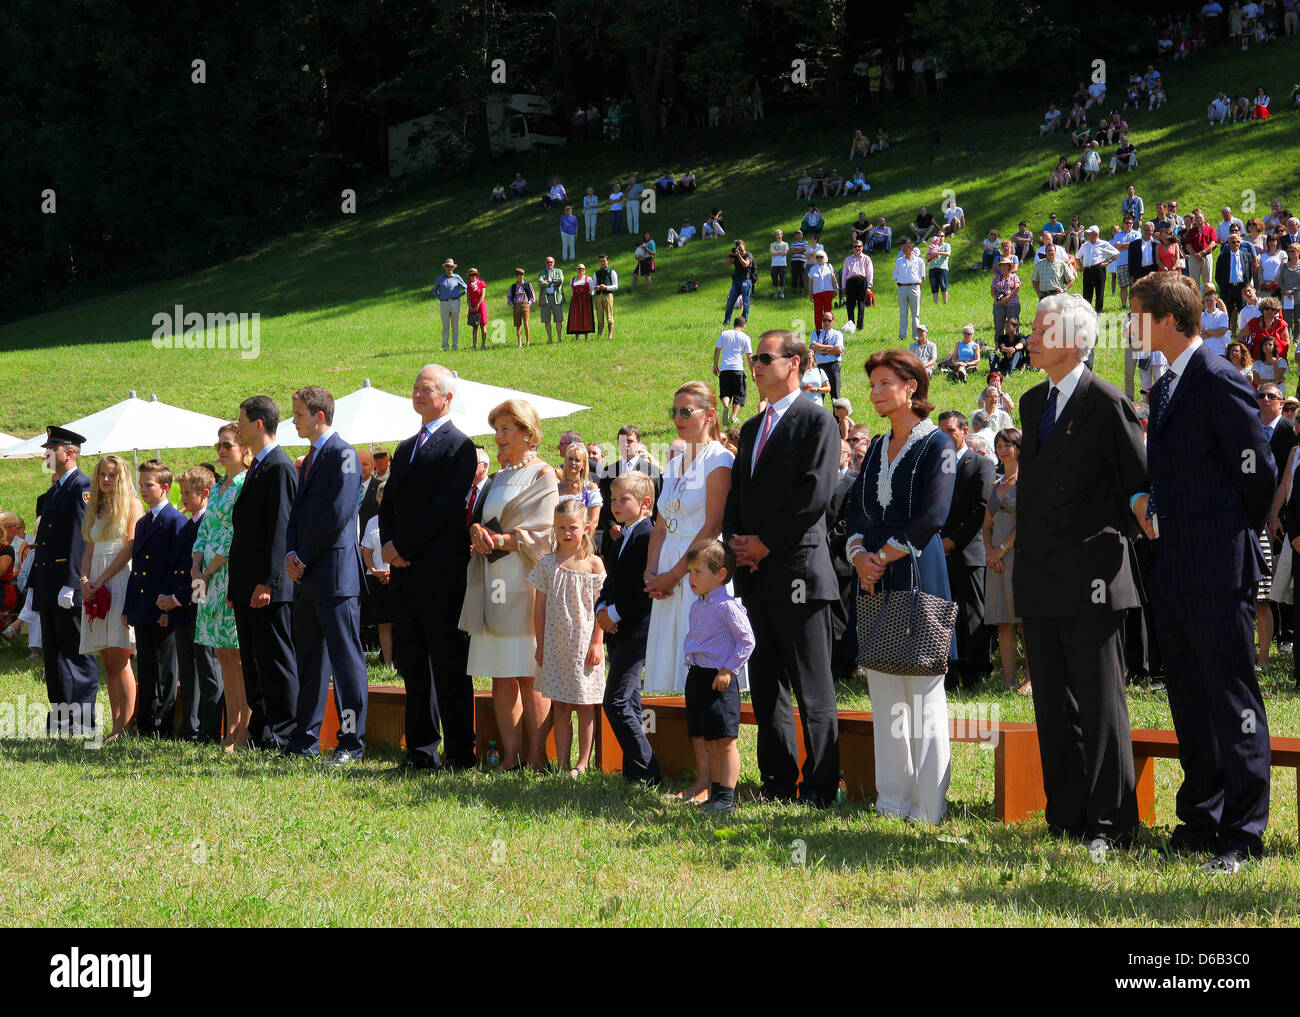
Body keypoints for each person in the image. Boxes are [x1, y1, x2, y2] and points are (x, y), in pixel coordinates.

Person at [1130, 272, 1275, 873]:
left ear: (1166, 319)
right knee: (1189, 695)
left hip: (1217, 566)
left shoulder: (1217, 378)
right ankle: (1203, 818)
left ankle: (1243, 831)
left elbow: (1257, 472)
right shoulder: (1165, 384)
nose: (1129, 323)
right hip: (1176, 569)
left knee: (1230, 696)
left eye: (1135, 314)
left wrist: (1218, 529)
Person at [1015, 292, 1149, 859]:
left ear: (1074, 339)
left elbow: (1138, 489)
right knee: (1052, 700)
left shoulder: (1106, 401)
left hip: (1092, 574)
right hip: (1040, 575)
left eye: (1043, 328)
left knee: (1100, 703)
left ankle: (1112, 823)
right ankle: (1066, 815)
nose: (1031, 336)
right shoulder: (1030, 403)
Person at [724, 330, 841, 806]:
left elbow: (813, 495)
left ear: (795, 363)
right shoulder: (752, 428)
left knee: (811, 686)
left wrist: (766, 543)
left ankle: (820, 786)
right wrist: (737, 548)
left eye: (765, 358)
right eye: (753, 359)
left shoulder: (818, 422)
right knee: (767, 685)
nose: (755, 365)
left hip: (798, 572)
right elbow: (738, 494)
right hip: (755, 574)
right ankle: (777, 782)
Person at [844, 349, 956, 821]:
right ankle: (893, 804)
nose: (875, 393)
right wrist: (858, 557)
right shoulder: (872, 447)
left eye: (884, 383)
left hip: (920, 577)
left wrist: (883, 556)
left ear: (912, 386)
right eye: (871, 385)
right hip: (874, 580)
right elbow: (857, 510)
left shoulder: (939, 445)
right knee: (886, 692)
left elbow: (934, 516)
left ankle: (929, 807)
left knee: (924, 694)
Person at [381, 366, 479, 773]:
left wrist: (403, 545)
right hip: (405, 573)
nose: (417, 394)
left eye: (426, 389)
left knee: (449, 663)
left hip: (440, 572)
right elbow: (389, 503)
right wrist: (388, 545)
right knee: (413, 662)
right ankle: (421, 748)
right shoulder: (405, 447)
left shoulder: (460, 447)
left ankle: (459, 752)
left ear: (446, 397)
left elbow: (445, 507)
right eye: (415, 388)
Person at [644, 382, 739, 799]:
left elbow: (712, 527)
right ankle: (700, 777)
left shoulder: (720, 459)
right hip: (668, 573)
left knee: (704, 674)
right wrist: (653, 573)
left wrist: (677, 574)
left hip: (700, 573)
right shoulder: (676, 459)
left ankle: (717, 781)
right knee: (688, 680)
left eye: (687, 412)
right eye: (674, 412)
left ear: (709, 414)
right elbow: (660, 525)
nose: (679, 419)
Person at [462, 399, 559, 771]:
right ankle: (510, 756)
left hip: (526, 584)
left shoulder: (543, 475)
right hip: (491, 582)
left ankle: (537, 757)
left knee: (528, 672)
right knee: (500, 674)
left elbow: (545, 534)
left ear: (526, 431)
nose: (498, 437)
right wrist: (476, 531)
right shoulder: (498, 477)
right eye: (496, 429)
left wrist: (500, 540)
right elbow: (482, 519)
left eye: (505, 429)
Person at [281, 387, 368, 765]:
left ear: (319, 416)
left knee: (345, 660)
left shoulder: (343, 454)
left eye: (298, 413)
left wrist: (303, 555)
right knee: (311, 660)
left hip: (334, 574)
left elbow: (337, 513)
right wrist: (290, 553)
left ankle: (351, 741)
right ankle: (306, 738)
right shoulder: (312, 458)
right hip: (308, 574)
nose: (294, 420)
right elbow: (297, 516)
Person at [229, 395, 300, 752]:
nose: (238, 428)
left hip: (268, 585)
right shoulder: (258, 467)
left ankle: (284, 730)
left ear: (259, 424)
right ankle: (263, 730)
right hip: (247, 585)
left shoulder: (280, 468)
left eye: (241, 421)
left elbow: (280, 530)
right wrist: (237, 585)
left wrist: (269, 581)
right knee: (254, 660)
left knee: (275, 658)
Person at [528, 499, 606, 777]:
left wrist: (597, 641)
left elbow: (602, 608)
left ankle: (581, 765)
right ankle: (562, 763)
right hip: (557, 645)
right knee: (561, 705)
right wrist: (540, 644)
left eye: (572, 527)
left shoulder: (594, 565)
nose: (567, 533)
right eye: (561, 527)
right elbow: (539, 609)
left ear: (585, 528)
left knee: (585, 704)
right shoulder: (547, 565)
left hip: (584, 645)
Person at [595, 472, 662, 785]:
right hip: (617, 629)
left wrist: (616, 613)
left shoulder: (648, 535)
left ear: (645, 504)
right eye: (612, 499)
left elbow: (643, 587)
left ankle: (648, 769)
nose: (615, 504)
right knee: (630, 701)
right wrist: (601, 609)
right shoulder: (619, 538)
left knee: (617, 701)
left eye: (624, 499)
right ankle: (636, 772)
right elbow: (611, 581)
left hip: (636, 629)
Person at [681, 541, 755, 814]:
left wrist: (727, 670)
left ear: (720, 574)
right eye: (690, 572)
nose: (692, 578)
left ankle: (726, 797)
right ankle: (714, 792)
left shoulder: (727, 607)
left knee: (724, 740)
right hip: (698, 676)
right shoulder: (697, 606)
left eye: (698, 572)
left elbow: (746, 640)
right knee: (709, 738)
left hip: (719, 678)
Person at [193, 423, 249, 750]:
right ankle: (231, 726)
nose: (221, 450)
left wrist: (211, 567)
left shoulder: (245, 484)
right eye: (219, 445)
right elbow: (205, 530)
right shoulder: (216, 488)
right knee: (223, 654)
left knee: (240, 655)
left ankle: (244, 729)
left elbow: (236, 533)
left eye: (227, 445)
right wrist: (195, 566)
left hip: (230, 573)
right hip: (208, 579)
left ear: (244, 449)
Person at [76, 450, 140, 738]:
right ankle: (115, 723)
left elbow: (129, 546)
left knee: (120, 656)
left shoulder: (132, 505)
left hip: (119, 579)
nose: (105, 479)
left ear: (122, 477)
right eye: (102, 474)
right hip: (96, 582)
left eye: (112, 475)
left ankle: (126, 725)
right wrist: (85, 580)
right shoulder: (97, 508)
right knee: (107, 659)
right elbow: (89, 549)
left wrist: (100, 580)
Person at [123, 459, 187, 738]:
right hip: (143, 603)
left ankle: (162, 723)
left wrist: (169, 607)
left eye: (149, 485)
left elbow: (177, 567)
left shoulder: (176, 522)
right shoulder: (143, 522)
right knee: (146, 665)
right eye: (141, 485)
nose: (143, 490)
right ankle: (146, 720)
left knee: (164, 668)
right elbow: (137, 568)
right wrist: (129, 606)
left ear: (164, 487)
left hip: (162, 605)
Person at [937, 411, 994, 691]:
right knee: (943, 615)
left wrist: (953, 542)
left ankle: (976, 672)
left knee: (972, 614)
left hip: (968, 551)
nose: (945, 436)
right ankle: (949, 672)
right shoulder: (933, 465)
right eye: (941, 431)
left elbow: (980, 510)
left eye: (950, 430)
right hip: (937, 552)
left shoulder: (980, 463)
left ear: (962, 432)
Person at [166, 466, 223, 743]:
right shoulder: (189, 524)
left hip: (200, 607)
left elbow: (200, 570)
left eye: (189, 493)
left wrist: (179, 599)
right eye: (183, 492)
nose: (184, 498)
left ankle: (209, 729)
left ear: (205, 494)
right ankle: (191, 726)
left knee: (208, 670)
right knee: (189, 671)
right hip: (185, 610)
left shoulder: (207, 523)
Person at [983, 428, 1029, 691]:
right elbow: (986, 524)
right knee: (1004, 620)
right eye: (998, 445)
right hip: (996, 561)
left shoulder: (1028, 480)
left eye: (1007, 445)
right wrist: (991, 551)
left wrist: (1002, 549)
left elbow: (1026, 521)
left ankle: (1031, 679)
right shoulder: (995, 484)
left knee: (1024, 620)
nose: (1002, 450)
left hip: (1019, 556)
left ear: (1018, 448)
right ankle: (1010, 680)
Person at [360, 480, 393, 665]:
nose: (384, 498)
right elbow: (367, 551)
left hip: (396, 577)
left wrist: (391, 573)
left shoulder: (400, 517)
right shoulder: (372, 522)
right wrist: (374, 570)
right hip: (377, 579)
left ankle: (403, 660)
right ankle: (388, 662)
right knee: (383, 623)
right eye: (381, 495)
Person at [714, 316, 753, 427]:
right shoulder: (745, 337)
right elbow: (749, 356)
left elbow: (717, 350)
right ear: (743, 325)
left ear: (734, 324)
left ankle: (726, 406)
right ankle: (733, 417)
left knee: (725, 392)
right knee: (739, 394)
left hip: (725, 368)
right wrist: (753, 372)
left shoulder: (724, 334)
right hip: (738, 369)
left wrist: (715, 365)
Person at [558, 441, 603, 530]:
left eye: (577, 460)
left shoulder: (590, 488)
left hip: (583, 539)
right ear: (565, 460)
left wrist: (582, 542)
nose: (573, 463)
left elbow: (593, 522)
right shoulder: (556, 488)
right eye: (570, 459)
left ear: (583, 465)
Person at [1078, 226, 1119, 312]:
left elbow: (1116, 253)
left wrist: (1107, 262)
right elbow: (1077, 257)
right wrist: (1081, 266)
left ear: (1096, 235)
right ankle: (1086, 312)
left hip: (1099, 269)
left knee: (1099, 291)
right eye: (1088, 234)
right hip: (1088, 270)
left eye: (1090, 233)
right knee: (1087, 292)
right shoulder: (1085, 245)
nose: (1088, 235)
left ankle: (1098, 311)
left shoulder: (1103, 244)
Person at [808, 311, 845, 401]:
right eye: (824, 320)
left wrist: (820, 348)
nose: (826, 323)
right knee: (819, 395)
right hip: (820, 367)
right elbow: (812, 347)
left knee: (835, 395)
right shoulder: (816, 333)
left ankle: (836, 415)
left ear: (833, 321)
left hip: (833, 366)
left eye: (829, 320)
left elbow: (838, 349)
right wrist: (831, 349)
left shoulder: (837, 334)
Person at [893, 238, 925, 339]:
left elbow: (923, 276)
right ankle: (902, 335)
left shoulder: (919, 261)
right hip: (902, 288)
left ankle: (915, 335)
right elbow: (896, 276)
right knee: (903, 312)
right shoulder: (899, 261)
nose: (903, 249)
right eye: (903, 247)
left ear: (911, 248)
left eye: (906, 247)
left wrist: (914, 283)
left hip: (914, 287)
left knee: (915, 313)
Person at [434, 259, 467, 352]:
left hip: (455, 302)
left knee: (455, 324)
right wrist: (439, 297)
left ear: (453, 268)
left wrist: (458, 295)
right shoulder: (440, 278)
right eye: (448, 267)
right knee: (445, 325)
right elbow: (434, 289)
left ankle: (455, 345)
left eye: (451, 267)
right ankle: (445, 346)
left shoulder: (457, 277)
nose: (449, 268)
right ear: (445, 268)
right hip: (444, 303)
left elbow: (466, 287)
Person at [840, 239, 874, 329]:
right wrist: (843, 287)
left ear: (862, 247)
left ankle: (860, 327)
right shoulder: (848, 259)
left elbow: (870, 272)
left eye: (859, 246)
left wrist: (869, 286)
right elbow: (844, 275)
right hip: (850, 282)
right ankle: (851, 326)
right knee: (850, 306)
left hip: (861, 281)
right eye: (855, 246)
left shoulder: (866, 259)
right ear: (853, 248)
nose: (857, 248)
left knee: (861, 305)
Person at [723, 240, 755, 323]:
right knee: (730, 302)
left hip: (745, 281)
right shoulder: (735, 255)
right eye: (738, 247)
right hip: (736, 282)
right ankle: (727, 321)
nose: (739, 249)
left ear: (744, 246)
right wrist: (731, 256)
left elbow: (745, 264)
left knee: (745, 303)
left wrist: (739, 256)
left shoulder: (748, 254)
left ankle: (744, 322)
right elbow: (727, 264)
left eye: (740, 247)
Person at [537, 256, 566, 343]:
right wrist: (552, 282)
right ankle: (550, 339)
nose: (549, 264)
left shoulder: (559, 271)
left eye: (551, 262)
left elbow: (560, 280)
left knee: (558, 319)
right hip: (545, 298)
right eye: (548, 262)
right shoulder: (541, 273)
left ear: (554, 263)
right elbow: (540, 283)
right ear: (545, 263)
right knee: (546, 320)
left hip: (556, 297)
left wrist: (547, 281)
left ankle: (559, 338)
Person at [806, 249, 838, 326]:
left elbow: (833, 279)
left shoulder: (829, 266)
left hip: (828, 291)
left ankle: (829, 327)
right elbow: (810, 283)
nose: (819, 259)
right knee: (818, 311)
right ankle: (819, 329)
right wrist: (810, 293)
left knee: (828, 311)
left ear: (825, 257)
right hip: (817, 293)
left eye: (821, 257)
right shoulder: (813, 268)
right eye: (817, 257)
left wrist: (835, 289)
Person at [991, 256, 1022, 339]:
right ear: (1000, 267)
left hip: (1013, 305)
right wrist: (1000, 300)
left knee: (1013, 326)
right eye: (1002, 265)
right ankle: (998, 346)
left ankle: (1015, 344)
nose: (1004, 267)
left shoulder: (1014, 277)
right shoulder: (995, 279)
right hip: (999, 305)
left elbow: (1016, 290)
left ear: (1009, 267)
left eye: (1006, 265)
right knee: (998, 326)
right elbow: (992, 292)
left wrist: (1006, 298)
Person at [566, 263, 596, 340]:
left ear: (585, 270)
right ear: (576, 270)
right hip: (575, 300)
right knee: (576, 317)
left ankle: (586, 336)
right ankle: (576, 336)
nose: (581, 270)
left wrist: (586, 297)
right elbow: (571, 292)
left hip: (585, 301)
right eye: (579, 269)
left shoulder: (588, 279)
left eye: (582, 269)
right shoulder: (572, 279)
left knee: (585, 316)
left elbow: (591, 291)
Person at [507, 268, 535, 348]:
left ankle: (527, 342)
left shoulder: (527, 285)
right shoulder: (513, 287)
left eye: (522, 274)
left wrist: (528, 304)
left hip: (525, 304)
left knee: (526, 323)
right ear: (516, 276)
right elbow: (509, 297)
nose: (521, 276)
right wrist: (512, 305)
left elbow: (533, 297)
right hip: (516, 305)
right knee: (518, 325)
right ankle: (519, 343)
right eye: (520, 275)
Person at [592, 254, 618, 339]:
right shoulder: (596, 273)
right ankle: (599, 335)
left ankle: (610, 335)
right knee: (599, 315)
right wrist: (596, 287)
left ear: (607, 261)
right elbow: (593, 286)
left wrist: (606, 287)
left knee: (609, 315)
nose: (602, 263)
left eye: (604, 261)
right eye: (601, 261)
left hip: (608, 295)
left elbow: (616, 286)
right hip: (598, 296)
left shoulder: (612, 272)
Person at [465, 268, 488, 350]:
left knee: (482, 325)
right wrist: (470, 307)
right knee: (474, 326)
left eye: (473, 274)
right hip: (472, 306)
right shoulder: (469, 285)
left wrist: (477, 305)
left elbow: (482, 295)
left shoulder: (481, 283)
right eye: (470, 275)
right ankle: (474, 345)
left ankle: (483, 344)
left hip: (481, 306)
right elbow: (468, 298)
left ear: (477, 275)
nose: (472, 276)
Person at [769, 230, 789, 299]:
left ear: (782, 235)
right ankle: (776, 293)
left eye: (779, 234)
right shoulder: (772, 244)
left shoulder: (785, 244)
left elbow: (785, 253)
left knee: (782, 279)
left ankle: (782, 293)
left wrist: (776, 252)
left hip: (783, 264)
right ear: (776, 236)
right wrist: (780, 252)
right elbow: (772, 253)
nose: (778, 236)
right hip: (774, 264)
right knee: (774, 279)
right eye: (777, 234)